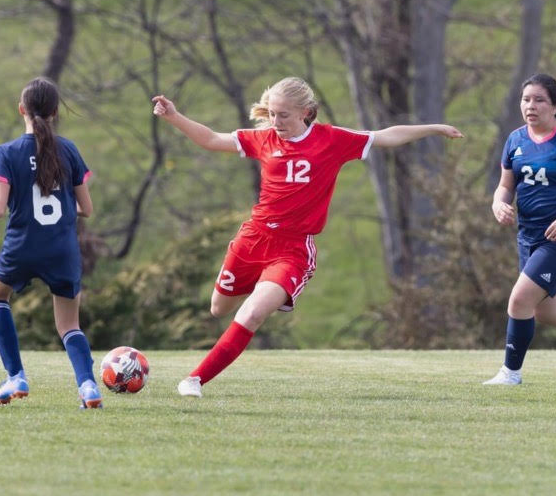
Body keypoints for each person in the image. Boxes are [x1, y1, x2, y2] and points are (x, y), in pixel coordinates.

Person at [152, 76, 464, 397]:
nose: (276, 122)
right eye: (272, 113)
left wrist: (434, 128)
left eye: (283, 115)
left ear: (306, 112)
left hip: (291, 250)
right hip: (252, 240)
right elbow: (211, 139)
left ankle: (194, 381)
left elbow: (384, 136)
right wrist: (173, 116)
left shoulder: (331, 140)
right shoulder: (264, 138)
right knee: (218, 308)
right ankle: (238, 311)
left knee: (253, 313)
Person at [0, 77, 102, 408]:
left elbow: (0, 208)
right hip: (62, 249)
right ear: (56, 111)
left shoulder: (8, 153)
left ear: (21, 110)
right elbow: (86, 209)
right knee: (69, 325)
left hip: (22, 245)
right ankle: (88, 387)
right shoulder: (68, 149)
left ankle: (16, 376)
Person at [484, 73, 556, 385]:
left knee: (519, 300)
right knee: (543, 313)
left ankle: (510, 374)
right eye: (526, 99)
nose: (531, 105)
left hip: (552, 240)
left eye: (539, 99)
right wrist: (498, 203)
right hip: (527, 237)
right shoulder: (515, 140)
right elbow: (505, 186)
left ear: (554, 106)